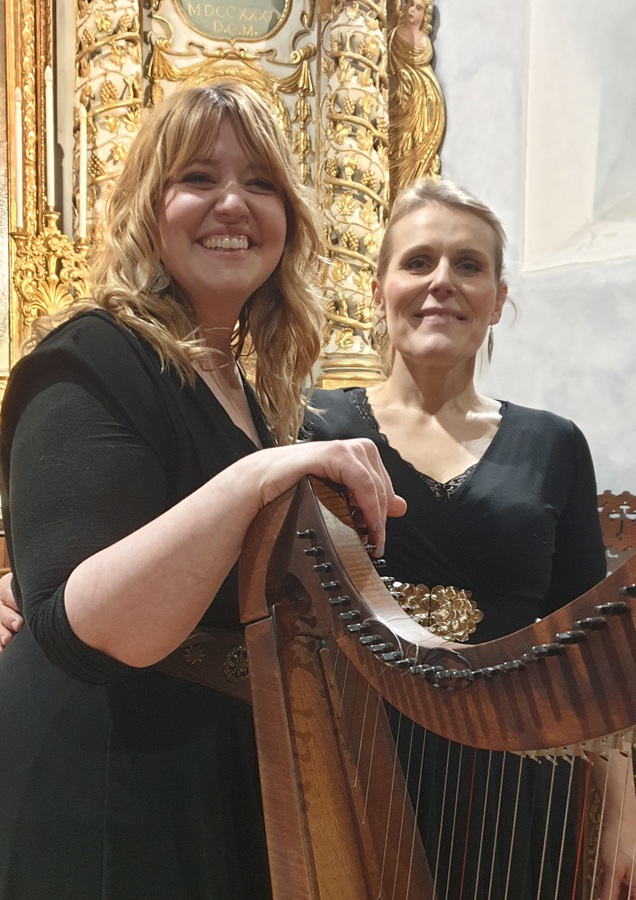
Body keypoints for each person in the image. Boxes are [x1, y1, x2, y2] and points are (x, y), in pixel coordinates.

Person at [0, 82, 405, 900]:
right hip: (102, 787)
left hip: (200, 770)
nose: (232, 203)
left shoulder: (242, 390)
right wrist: (257, 476)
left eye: (260, 183)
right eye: (197, 178)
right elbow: (86, 628)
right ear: (148, 207)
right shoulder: (91, 355)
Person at [303, 177, 636, 900]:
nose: (442, 282)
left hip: (521, 778)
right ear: (378, 291)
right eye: (418, 261)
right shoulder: (311, 428)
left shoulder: (554, 444)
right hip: (355, 764)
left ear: (498, 298)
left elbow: (591, 651)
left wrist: (621, 807)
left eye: (468, 265)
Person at [388, 0, 445, 194]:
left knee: (419, 146)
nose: (412, 10)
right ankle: (400, 190)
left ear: (425, 15)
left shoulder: (424, 39)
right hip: (403, 99)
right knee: (400, 146)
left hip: (427, 101)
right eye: (410, 4)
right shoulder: (395, 34)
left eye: (418, 8)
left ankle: (415, 188)